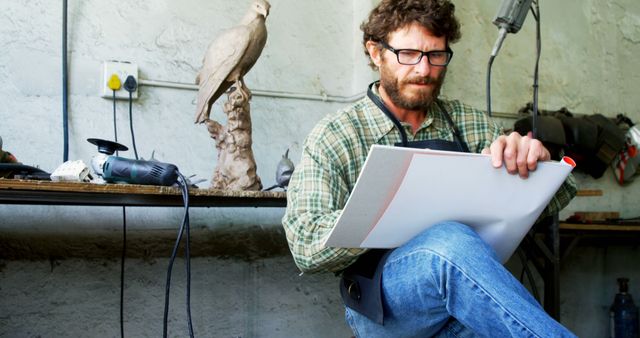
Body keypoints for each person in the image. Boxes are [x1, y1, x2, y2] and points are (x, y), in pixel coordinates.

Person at [282, 0, 577, 336]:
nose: (424, 69)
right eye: (408, 54)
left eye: (436, 55)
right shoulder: (337, 135)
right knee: (447, 241)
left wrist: (533, 160)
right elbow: (305, 246)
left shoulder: (469, 123)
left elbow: (561, 193)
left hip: (459, 304)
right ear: (376, 52)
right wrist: (391, 212)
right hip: (383, 309)